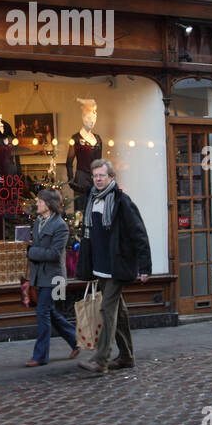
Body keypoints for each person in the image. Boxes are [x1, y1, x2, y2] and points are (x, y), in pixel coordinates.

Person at [77, 159, 151, 375]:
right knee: (119, 313)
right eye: (95, 176)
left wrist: (145, 267)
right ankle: (127, 356)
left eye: (102, 175)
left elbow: (139, 233)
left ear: (111, 177)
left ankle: (101, 360)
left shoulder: (122, 201)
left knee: (107, 310)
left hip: (117, 266)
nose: (98, 179)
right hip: (100, 266)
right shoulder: (91, 200)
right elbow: (89, 237)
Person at [24, 189, 80, 366]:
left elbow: (55, 254)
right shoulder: (38, 222)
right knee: (51, 312)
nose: (37, 204)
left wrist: (31, 252)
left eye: (40, 201)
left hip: (55, 278)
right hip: (40, 277)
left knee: (43, 312)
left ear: (48, 204)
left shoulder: (60, 226)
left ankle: (40, 356)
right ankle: (76, 341)